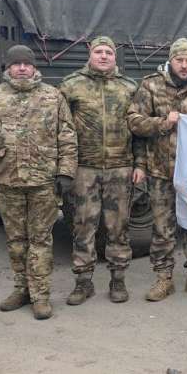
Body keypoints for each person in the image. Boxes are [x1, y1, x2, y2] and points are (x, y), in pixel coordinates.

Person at [0, 45, 77, 320]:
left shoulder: (52, 96)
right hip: (7, 181)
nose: (22, 68)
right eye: (16, 64)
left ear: (34, 67)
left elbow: (67, 135)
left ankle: (40, 295)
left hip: (44, 181)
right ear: (8, 67)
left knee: (40, 240)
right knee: (16, 240)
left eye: (27, 63)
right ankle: (21, 289)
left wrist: (65, 172)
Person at [126, 38, 187, 301]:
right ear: (171, 60)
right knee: (161, 228)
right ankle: (163, 278)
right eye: (179, 60)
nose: (184, 65)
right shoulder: (151, 85)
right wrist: (164, 123)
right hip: (160, 171)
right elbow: (134, 122)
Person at [59, 36, 145, 305]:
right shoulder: (71, 85)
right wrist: (64, 167)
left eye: (109, 51)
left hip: (120, 168)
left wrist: (140, 164)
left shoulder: (129, 87)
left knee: (118, 227)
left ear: (115, 56)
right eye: (99, 51)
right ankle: (83, 282)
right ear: (90, 53)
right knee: (83, 226)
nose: (104, 56)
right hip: (84, 168)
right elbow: (60, 128)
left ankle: (118, 280)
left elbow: (138, 130)